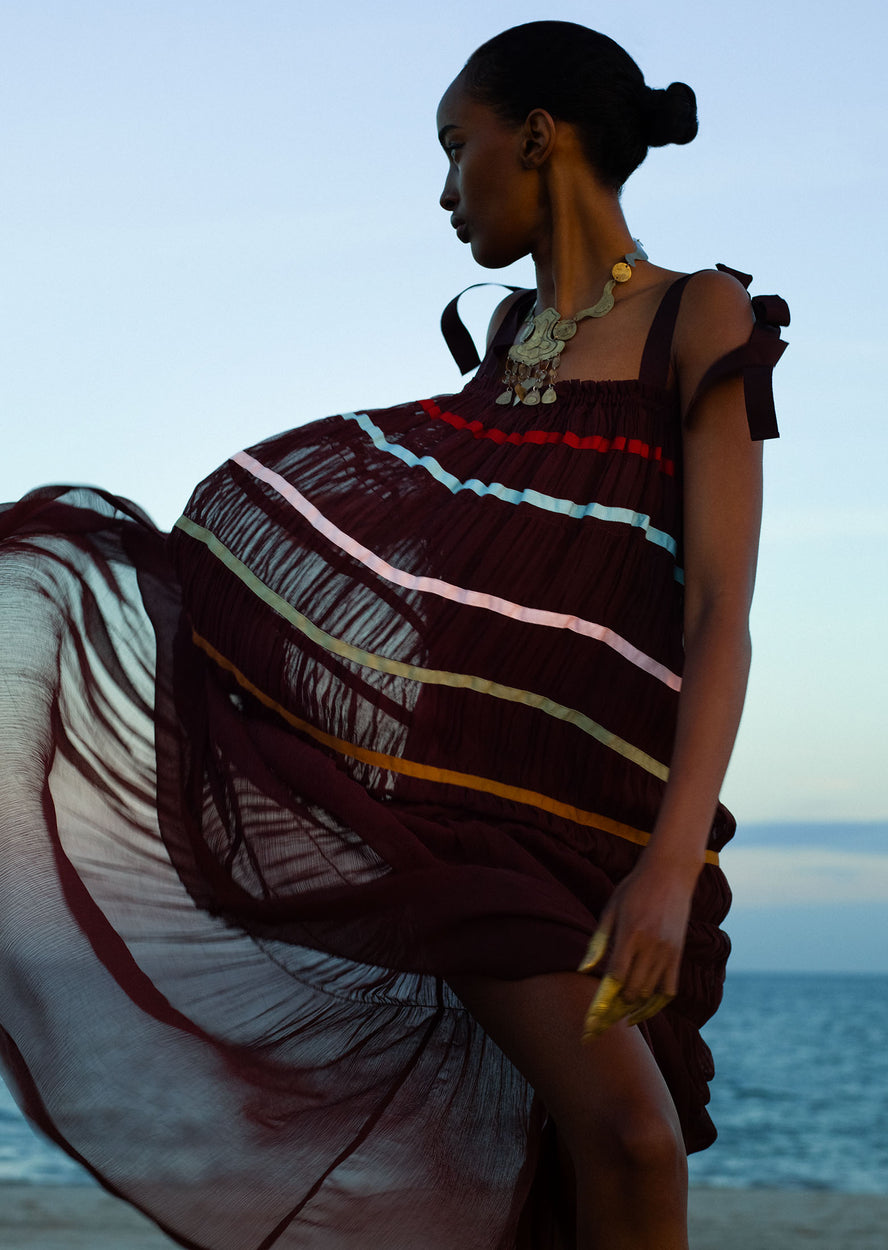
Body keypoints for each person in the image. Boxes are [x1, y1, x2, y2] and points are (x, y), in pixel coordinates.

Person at [0, 20, 788, 1250]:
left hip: (605, 822)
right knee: (624, 1140)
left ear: (534, 139)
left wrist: (671, 863)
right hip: (459, 825)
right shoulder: (498, 352)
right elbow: (440, 573)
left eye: (453, 147)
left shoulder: (703, 313)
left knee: (593, 1163)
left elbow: (719, 610)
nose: (441, 189)